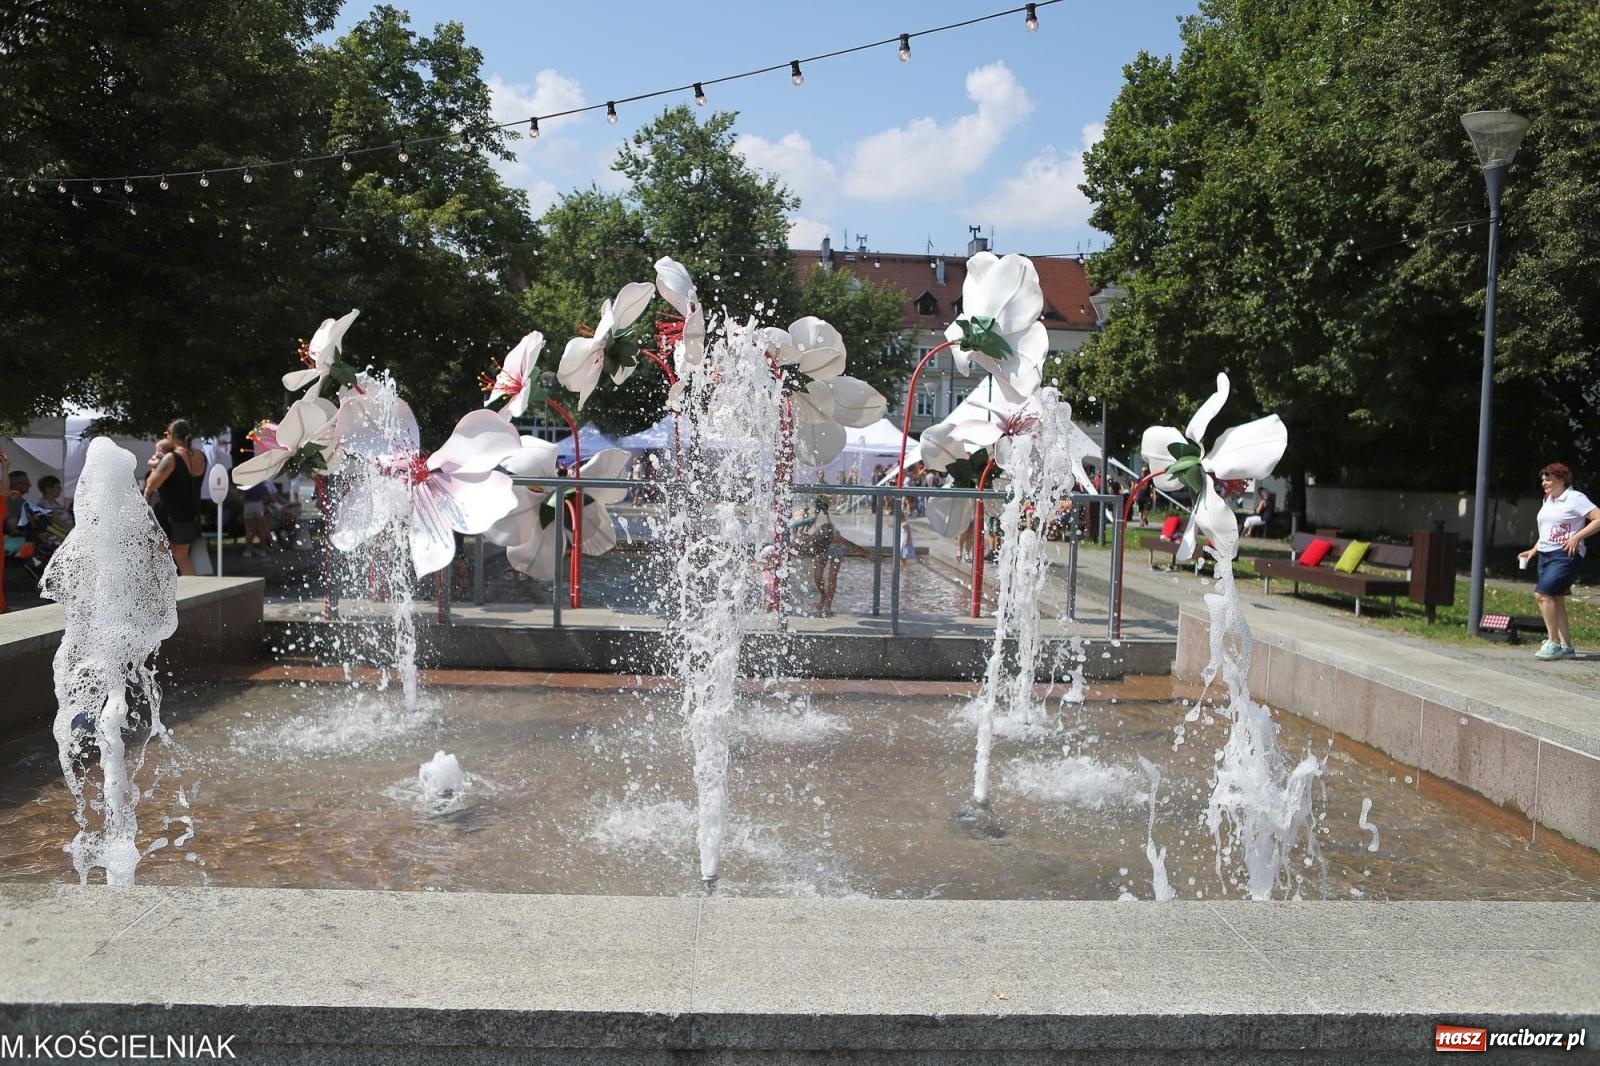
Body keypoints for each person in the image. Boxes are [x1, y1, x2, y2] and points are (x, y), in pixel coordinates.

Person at [1517, 463, 1600, 660]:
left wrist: (1577, 537)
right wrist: (1534, 550)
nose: (1544, 483)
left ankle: (1552, 642)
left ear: (1562, 480)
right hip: (1545, 554)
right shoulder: (1548, 500)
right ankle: (1566, 646)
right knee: (1556, 598)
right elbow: (1548, 530)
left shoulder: (1575, 498)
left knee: (1542, 594)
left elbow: (1598, 518)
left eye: (1548, 479)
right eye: (1543, 480)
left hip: (1564, 554)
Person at [143, 419, 207, 575]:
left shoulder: (172, 458)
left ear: (171, 435)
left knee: (160, 555)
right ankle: (193, 588)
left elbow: (151, 484)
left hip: (170, 515)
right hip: (190, 514)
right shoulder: (201, 456)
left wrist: (154, 467)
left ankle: (164, 590)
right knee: (182, 557)